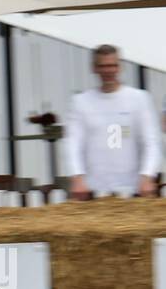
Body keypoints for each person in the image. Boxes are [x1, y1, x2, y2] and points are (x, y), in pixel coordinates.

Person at [65, 45, 160, 199]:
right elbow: (73, 143)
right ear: (94, 68)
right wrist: (77, 178)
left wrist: (147, 177)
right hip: (93, 192)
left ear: (120, 67)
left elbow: (151, 142)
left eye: (112, 65)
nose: (108, 71)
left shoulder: (139, 99)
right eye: (103, 66)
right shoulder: (80, 102)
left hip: (133, 190)